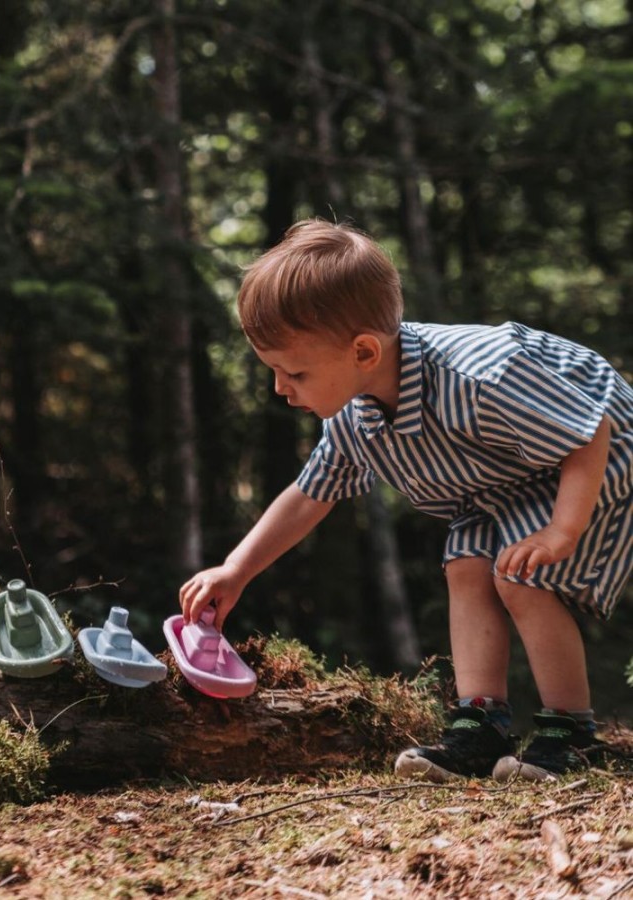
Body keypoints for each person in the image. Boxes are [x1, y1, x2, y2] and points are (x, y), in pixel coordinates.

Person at [179, 218, 633, 783]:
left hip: (593, 460)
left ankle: (572, 734)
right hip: (500, 486)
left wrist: (561, 532)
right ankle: (480, 725)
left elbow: (590, 432)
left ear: (364, 351)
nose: (280, 387)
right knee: (467, 567)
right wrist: (236, 570)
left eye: (293, 371)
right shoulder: (355, 414)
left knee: (520, 575)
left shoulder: (475, 374)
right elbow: (308, 493)